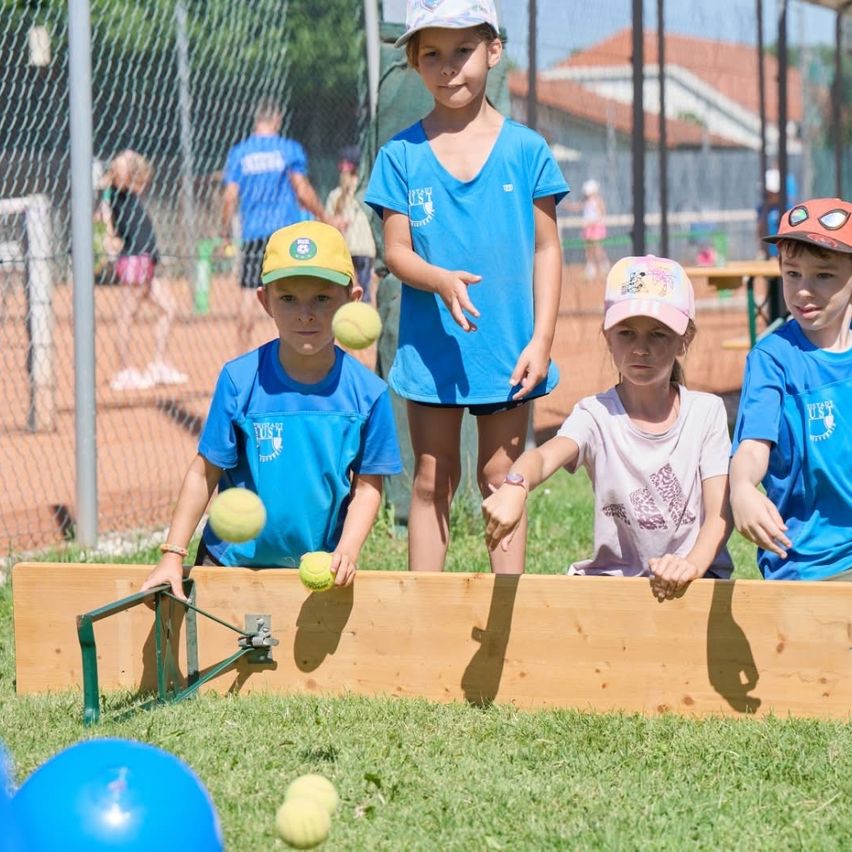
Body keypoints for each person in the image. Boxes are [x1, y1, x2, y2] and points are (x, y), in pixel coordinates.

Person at [364, 0, 568, 575]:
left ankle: (508, 614)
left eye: (463, 51)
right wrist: (439, 280)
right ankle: (425, 617)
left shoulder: (527, 150)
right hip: (432, 351)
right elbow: (396, 252)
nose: (449, 67)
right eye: (432, 54)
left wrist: (542, 340)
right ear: (412, 62)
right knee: (433, 476)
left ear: (493, 51)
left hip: (507, 348)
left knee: (500, 479)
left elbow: (548, 249)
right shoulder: (399, 155)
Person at [140, 221, 402, 598]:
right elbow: (204, 473)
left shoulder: (369, 394)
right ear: (265, 302)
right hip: (229, 561)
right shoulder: (239, 380)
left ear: (352, 299)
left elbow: (368, 487)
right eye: (288, 299)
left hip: (319, 567)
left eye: (323, 299)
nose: (305, 314)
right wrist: (172, 555)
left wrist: (347, 549)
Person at [482, 256, 734, 600]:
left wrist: (691, 565)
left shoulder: (707, 413)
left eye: (658, 334)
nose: (640, 348)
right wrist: (515, 485)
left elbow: (720, 514)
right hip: (614, 582)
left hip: (700, 580)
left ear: (684, 340)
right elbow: (541, 458)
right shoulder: (594, 414)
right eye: (627, 333)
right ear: (607, 336)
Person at [730, 197, 852, 581]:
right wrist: (742, 489)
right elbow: (752, 446)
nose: (803, 290)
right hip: (809, 564)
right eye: (792, 273)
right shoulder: (772, 358)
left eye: (824, 275)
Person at [221, 100, 340, 353]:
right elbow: (302, 190)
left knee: (248, 293)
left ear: (256, 121)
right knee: (299, 292)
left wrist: (224, 234)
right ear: (276, 119)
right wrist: (324, 217)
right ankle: (302, 350)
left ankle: (241, 355)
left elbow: (230, 196)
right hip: (286, 235)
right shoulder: (287, 149)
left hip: (253, 232)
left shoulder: (240, 152)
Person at [103, 150, 187, 391]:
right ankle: (123, 371)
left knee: (168, 309)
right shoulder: (116, 191)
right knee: (127, 314)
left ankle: (158, 363)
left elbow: (135, 174)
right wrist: (127, 158)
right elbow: (119, 169)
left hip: (145, 259)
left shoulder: (129, 194)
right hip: (134, 259)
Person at [325, 146, 377, 305]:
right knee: (365, 293)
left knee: (346, 292)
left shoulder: (335, 194)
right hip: (366, 248)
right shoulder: (367, 191)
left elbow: (327, 221)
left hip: (345, 248)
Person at [579, 179, 609, 280]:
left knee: (598, 248)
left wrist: (592, 222)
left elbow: (601, 214)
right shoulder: (586, 201)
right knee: (588, 249)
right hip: (588, 227)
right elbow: (579, 207)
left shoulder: (598, 201)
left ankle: (604, 267)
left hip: (595, 227)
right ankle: (591, 269)